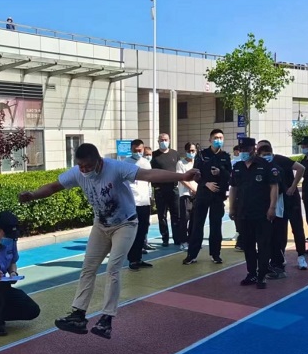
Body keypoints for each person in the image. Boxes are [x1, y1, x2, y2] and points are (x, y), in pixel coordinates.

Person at [18, 143, 198, 339]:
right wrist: (33, 195)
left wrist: (182, 177)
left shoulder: (116, 168)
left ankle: (106, 319)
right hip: (101, 225)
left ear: (99, 161)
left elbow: (149, 175)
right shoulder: (78, 173)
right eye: (81, 166)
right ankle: (78, 314)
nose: (84, 170)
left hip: (125, 224)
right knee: (88, 268)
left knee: (113, 268)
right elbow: (54, 187)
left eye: (88, 166)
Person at [228, 137, 279, 289]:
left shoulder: (265, 165)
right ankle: (251, 273)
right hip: (243, 213)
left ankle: (262, 275)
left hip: (262, 212)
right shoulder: (238, 167)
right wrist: (231, 208)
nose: (243, 152)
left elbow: (274, 186)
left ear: (253, 149)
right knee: (248, 245)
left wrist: (272, 207)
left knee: (263, 245)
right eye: (241, 150)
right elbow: (233, 188)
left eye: (246, 149)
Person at [256, 140, 308, 271]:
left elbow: (301, 168)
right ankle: (280, 256)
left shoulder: (280, 160)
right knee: (279, 230)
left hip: (291, 198)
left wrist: (293, 186)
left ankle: (301, 256)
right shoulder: (260, 164)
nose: (264, 155)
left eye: (267, 151)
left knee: (297, 228)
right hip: (278, 201)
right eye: (261, 152)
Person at [184, 129, 232, 265]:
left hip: (218, 195)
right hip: (203, 194)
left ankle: (215, 254)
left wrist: (220, 172)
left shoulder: (225, 156)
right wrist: (206, 184)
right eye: (216, 138)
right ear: (210, 139)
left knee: (216, 226)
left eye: (221, 138)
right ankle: (192, 255)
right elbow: (195, 175)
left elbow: (230, 175)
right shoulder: (202, 155)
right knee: (197, 225)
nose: (218, 140)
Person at [255, 142, 289, 278]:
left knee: (276, 238)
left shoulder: (275, 169)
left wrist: (272, 207)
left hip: (276, 209)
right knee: (266, 239)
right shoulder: (258, 169)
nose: (267, 157)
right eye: (264, 155)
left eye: (268, 154)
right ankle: (268, 265)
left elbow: (277, 189)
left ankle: (279, 266)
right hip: (262, 209)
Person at [125, 139, 153, 270]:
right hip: (132, 203)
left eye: (140, 150)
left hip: (145, 201)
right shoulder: (126, 163)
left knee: (143, 230)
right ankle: (132, 260)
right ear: (131, 149)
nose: (138, 152)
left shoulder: (146, 163)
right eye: (135, 150)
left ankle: (138, 258)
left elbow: (149, 181)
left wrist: (150, 197)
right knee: (133, 232)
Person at [151, 133, 181, 246]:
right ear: (158, 141)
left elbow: (179, 169)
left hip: (173, 189)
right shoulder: (154, 155)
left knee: (176, 215)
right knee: (162, 216)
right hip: (160, 190)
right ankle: (165, 238)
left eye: (165, 140)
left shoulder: (175, 154)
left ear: (169, 140)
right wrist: (156, 186)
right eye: (161, 140)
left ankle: (177, 238)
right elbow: (150, 172)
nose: (164, 142)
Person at [176, 143, 198, 251]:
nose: (191, 153)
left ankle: (192, 240)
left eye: (193, 151)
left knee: (195, 219)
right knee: (185, 219)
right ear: (186, 151)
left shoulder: (198, 163)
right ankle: (183, 241)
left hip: (197, 195)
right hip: (185, 195)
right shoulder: (181, 163)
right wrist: (192, 189)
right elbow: (181, 178)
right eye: (189, 151)